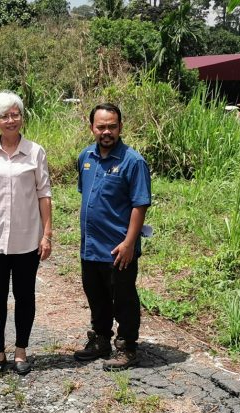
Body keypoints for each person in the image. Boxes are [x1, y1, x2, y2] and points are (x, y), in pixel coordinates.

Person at [0, 91, 53, 376]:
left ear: (22, 117)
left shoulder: (35, 152)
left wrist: (47, 234)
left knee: (25, 295)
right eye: (4, 115)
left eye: (15, 114)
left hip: (27, 237)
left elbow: (44, 194)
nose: (11, 120)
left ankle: (20, 351)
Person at [73, 103, 152, 371]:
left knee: (124, 297)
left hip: (119, 248)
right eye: (101, 126)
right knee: (96, 295)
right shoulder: (85, 157)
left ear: (120, 127)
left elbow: (139, 204)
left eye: (112, 126)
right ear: (92, 128)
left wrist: (130, 243)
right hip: (91, 246)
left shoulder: (133, 161)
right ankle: (101, 339)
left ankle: (128, 346)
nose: (106, 132)